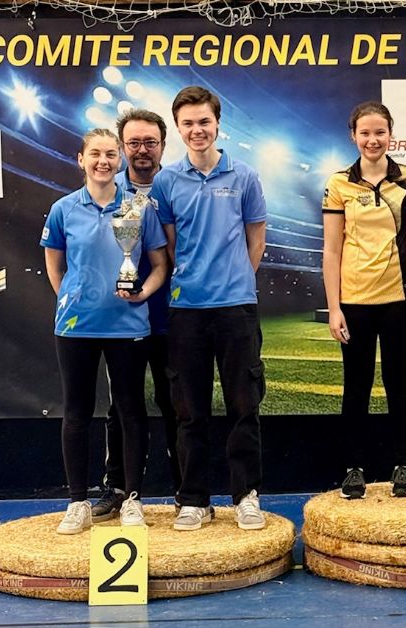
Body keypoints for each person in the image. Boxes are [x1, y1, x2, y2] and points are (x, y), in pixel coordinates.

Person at [40, 128, 168, 533]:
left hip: (128, 325)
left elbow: (160, 265)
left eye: (111, 154)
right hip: (75, 327)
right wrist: (73, 300)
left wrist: (142, 293)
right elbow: (55, 265)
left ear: (120, 159)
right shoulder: (63, 209)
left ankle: (132, 499)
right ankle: (77, 501)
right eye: (95, 154)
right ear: (81, 159)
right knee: (76, 412)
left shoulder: (138, 208)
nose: (103, 161)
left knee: (130, 411)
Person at [152, 86, 268, 531]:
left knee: (244, 405)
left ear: (218, 123)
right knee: (189, 410)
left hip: (236, 307)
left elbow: (256, 240)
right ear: (178, 128)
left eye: (204, 121)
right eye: (188, 123)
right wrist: (195, 279)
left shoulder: (245, 176)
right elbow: (171, 244)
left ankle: (246, 496)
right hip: (187, 309)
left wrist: (236, 280)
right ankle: (194, 499)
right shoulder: (166, 181)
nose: (197, 130)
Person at [322, 101, 406, 500]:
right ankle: (353, 469)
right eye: (365, 133)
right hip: (354, 301)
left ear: (391, 134)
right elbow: (332, 250)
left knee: (399, 384)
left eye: (379, 132)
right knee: (357, 386)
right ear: (353, 136)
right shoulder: (339, 183)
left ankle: (403, 467)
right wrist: (335, 308)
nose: (372, 140)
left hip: (400, 299)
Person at [92, 108, 184, 522]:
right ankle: (118, 488)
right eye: (133, 143)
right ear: (122, 146)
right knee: (121, 408)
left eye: (150, 142)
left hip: (173, 315)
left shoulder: (177, 186)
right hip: (123, 320)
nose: (142, 150)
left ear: (163, 145)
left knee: (178, 405)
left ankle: (186, 491)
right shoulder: (107, 191)